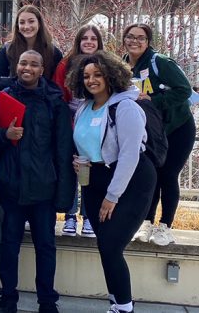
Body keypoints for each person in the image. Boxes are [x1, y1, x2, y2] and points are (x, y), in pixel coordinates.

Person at [67, 51, 157, 313]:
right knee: (104, 245)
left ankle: (125, 308)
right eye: (86, 76)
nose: (91, 80)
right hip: (94, 179)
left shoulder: (125, 106)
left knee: (111, 245)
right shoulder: (84, 107)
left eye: (97, 74)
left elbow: (129, 155)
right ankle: (116, 302)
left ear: (111, 75)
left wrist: (112, 196)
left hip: (131, 181)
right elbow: (86, 142)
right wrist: (80, 162)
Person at [0, 50, 74, 313]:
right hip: (10, 189)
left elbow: (63, 150)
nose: (28, 68)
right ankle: (7, 299)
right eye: (23, 63)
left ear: (42, 68)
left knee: (46, 248)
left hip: (44, 190)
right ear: (16, 65)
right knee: (8, 247)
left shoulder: (55, 102)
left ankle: (47, 302)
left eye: (34, 64)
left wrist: (64, 194)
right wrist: (4, 134)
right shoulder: (1, 98)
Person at [123, 23, 195, 247]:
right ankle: (146, 222)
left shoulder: (160, 62)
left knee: (168, 175)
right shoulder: (123, 66)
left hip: (177, 127)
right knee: (151, 175)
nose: (135, 41)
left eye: (141, 38)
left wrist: (154, 101)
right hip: (151, 131)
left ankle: (165, 226)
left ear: (148, 41)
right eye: (130, 37)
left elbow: (184, 90)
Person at [52, 24, 105, 238]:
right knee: (70, 170)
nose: (89, 42)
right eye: (85, 38)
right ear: (78, 41)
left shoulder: (105, 64)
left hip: (96, 126)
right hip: (71, 125)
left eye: (93, 38)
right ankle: (71, 215)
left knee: (92, 171)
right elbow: (58, 95)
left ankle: (89, 215)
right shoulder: (66, 64)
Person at [0, 5, 62, 96]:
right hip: (13, 104)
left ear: (39, 24)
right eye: (22, 22)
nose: (26, 26)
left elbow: (57, 85)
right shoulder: (7, 50)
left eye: (31, 21)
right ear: (17, 26)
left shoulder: (53, 52)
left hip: (42, 105)